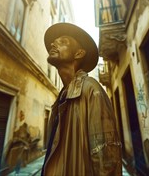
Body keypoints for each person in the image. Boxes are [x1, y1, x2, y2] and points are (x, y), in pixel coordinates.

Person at [41, 23, 122, 176]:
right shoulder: (60, 99)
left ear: (79, 53)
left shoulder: (92, 90)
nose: (53, 43)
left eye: (63, 41)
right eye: (54, 41)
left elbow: (107, 162)